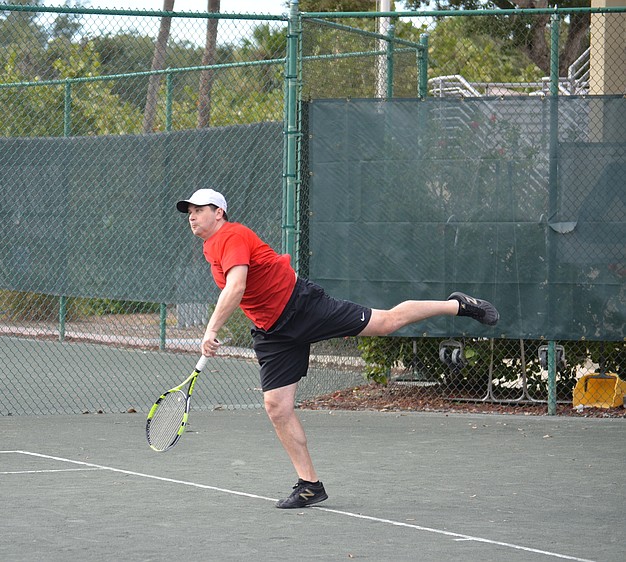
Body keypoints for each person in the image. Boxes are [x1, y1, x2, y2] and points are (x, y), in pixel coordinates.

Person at [176, 188, 499, 509]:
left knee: (385, 324)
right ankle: (309, 485)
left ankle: (456, 305)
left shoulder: (232, 236)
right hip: (272, 331)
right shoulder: (210, 248)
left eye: (198, 209)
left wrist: (212, 329)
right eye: (189, 211)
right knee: (276, 406)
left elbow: (237, 286)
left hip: (302, 307)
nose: (192, 216)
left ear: (219, 212)